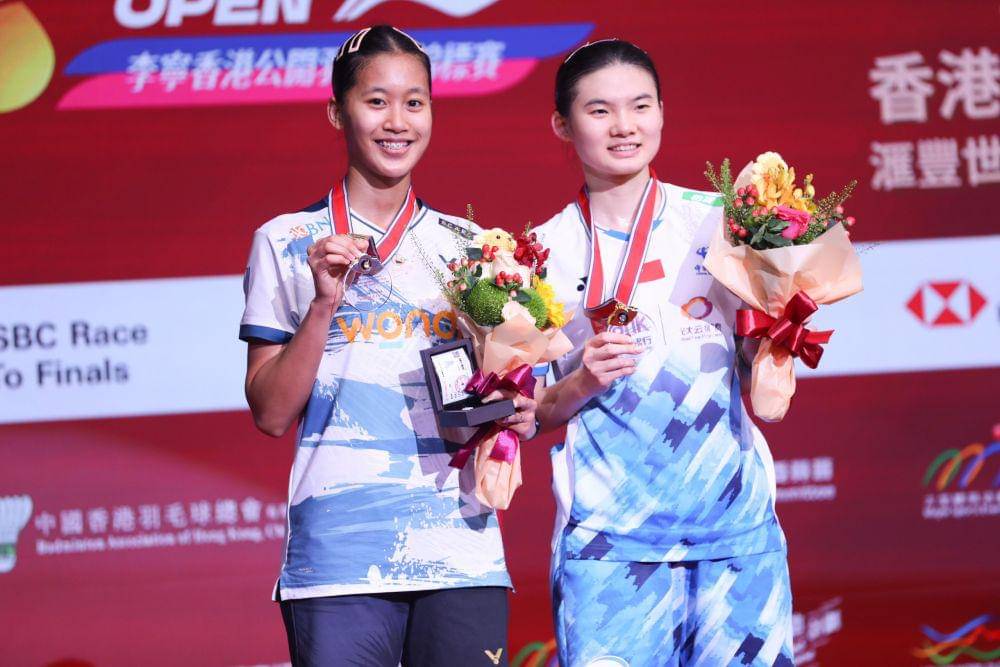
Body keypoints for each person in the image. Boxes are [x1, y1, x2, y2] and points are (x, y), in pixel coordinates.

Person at [239, 25, 536, 667]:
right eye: (376, 101)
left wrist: (515, 409)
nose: (397, 122)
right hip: (338, 562)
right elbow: (270, 413)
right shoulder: (286, 241)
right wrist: (324, 304)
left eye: (414, 102)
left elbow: (499, 389)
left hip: (461, 549)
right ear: (337, 112)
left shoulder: (474, 248)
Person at [534, 39, 795, 666]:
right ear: (562, 125)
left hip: (735, 536)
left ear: (661, 112)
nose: (624, 126)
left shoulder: (724, 224)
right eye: (599, 111)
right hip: (611, 548)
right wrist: (580, 382)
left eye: (640, 106)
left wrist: (775, 333)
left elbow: (758, 368)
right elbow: (527, 415)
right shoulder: (539, 254)